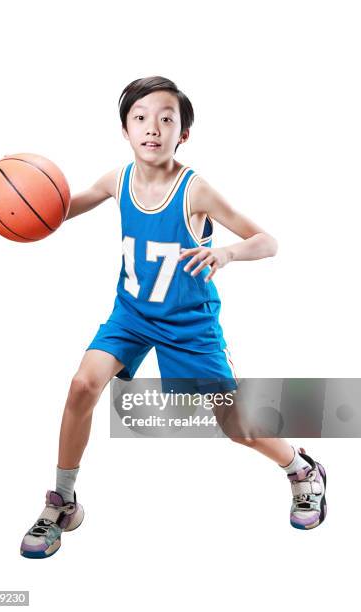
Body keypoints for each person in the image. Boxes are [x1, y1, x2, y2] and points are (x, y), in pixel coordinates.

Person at [20, 76, 327, 559]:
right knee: (82, 385)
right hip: (132, 315)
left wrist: (224, 254)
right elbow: (52, 212)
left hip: (190, 325)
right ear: (125, 129)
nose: (153, 128)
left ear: (183, 133)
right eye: (140, 118)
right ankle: (63, 500)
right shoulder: (115, 180)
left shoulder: (194, 190)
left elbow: (267, 241)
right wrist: (20, 198)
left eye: (167, 119)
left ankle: (301, 468)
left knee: (235, 425)